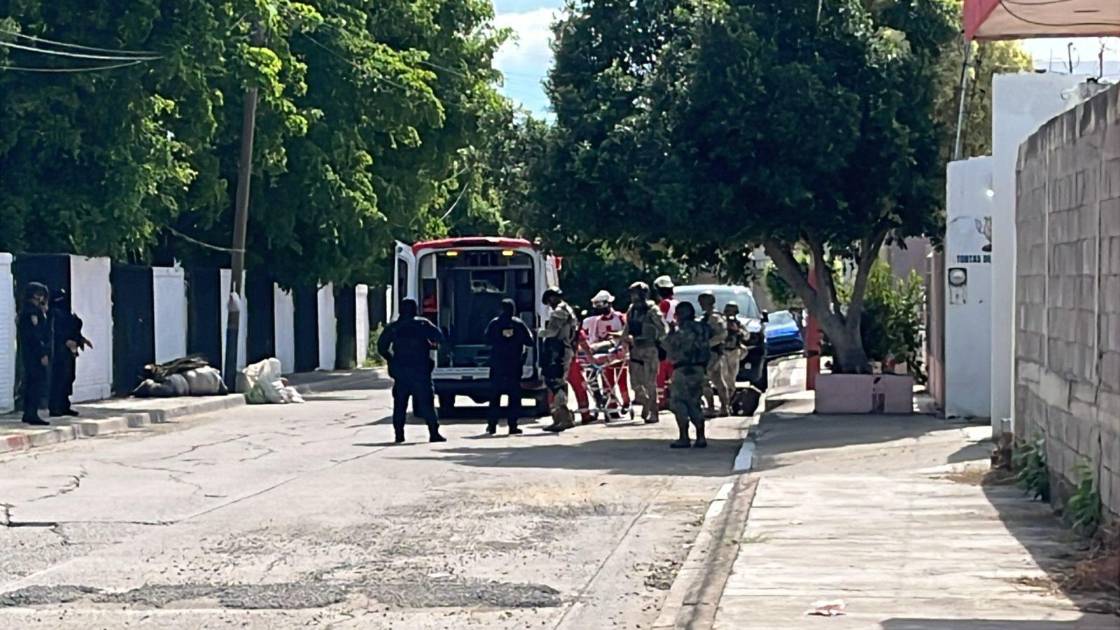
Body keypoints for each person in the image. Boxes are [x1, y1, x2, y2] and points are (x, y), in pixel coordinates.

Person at [377, 298, 446, 443]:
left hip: (401, 371)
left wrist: (391, 359)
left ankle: (399, 434)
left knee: (400, 404)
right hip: (420, 370)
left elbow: (381, 347)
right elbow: (439, 337)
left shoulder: (394, 327)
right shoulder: (422, 324)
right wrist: (430, 345)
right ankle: (433, 433)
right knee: (427, 404)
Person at [664, 301, 710, 448]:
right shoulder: (702, 328)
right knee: (695, 402)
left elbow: (668, 347)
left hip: (682, 370)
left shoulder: (681, 331)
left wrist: (671, 331)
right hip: (699, 369)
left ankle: (684, 437)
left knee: (679, 402)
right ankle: (701, 437)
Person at [484, 298, 534, 435]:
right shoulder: (519, 323)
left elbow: (486, 340)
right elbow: (530, 341)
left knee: (495, 395)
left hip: (497, 364)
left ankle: (492, 425)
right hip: (514, 364)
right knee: (514, 396)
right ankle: (513, 425)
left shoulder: (494, 323)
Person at [624, 281, 668, 423]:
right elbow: (627, 328)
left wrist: (660, 343)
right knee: (635, 384)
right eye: (632, 294)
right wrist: (622, 341)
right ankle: (646, 403)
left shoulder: (652, 310)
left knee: (650, 383)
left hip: (650, 349)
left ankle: (653, 412)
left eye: (636, 294)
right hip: (635, 349)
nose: (634, 297)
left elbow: (663, 329)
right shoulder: (632, 310)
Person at [583, 290, 630, 418]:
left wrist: (616, 338)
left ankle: (626, 402)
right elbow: (595, 338)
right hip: (606, 354)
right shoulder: (597, 321)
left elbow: (626, 333)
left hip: (619, 352)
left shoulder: (620, 317)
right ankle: (611, 406)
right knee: (607, 381)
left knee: (622, 381)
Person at [540, 287, 578, 432]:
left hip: (558, 350)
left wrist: (538, 332)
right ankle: (560, 419)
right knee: (555, 382)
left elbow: (552, 332)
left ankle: (564, 418)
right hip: (561, 349)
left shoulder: (559, 311)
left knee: (556, 383)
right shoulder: (567, 309)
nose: (549, 304)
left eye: (549, 300)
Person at [49, 288, 91, 417]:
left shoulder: (68, 314)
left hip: (69, 352)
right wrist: (65, 341)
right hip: (58, 351)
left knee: (69, 377)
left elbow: (73, 329)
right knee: (59, 378)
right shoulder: (53, 314)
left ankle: (64, 405)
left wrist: (80, 339)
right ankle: (55, 406)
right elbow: (54, 333)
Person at [17, 283, 52, 426]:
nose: (41, 298)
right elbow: (35, 335)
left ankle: (30, 412)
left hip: (30, 352)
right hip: (34, 353)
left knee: (34, 382)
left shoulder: (33, 310)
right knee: (35, 382)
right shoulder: (31, 312)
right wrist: (42, 353)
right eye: (38, 294)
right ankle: (31, 413)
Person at [698, 291, 730, 417]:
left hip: (713, 353)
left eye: (702, 301)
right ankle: (721, 407)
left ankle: (716, 407)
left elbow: (722, 335)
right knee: (717, 381)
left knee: (707, 380)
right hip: (709, 353)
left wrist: (707, 343)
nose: (700, 304)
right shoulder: (706, 317)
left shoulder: (715, 318)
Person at [654, 276, 678, 411]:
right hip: (675, 341)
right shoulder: (676, 303)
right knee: (671, 371)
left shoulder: (663, 304)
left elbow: (660, 323)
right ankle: (672, 398)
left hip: (664, 341)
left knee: (661, 372)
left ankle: (662, 400)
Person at [720, 301, 747, 410]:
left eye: (733, 311)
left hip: (734, 352)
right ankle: (725, 403)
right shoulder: (721, 323)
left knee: (732, 379)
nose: (731, 314)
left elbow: (747, 336)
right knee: (724, 378)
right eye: (729, 311)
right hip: (722, 353)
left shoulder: (738, 324)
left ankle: (729, 402)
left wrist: (738, 330)